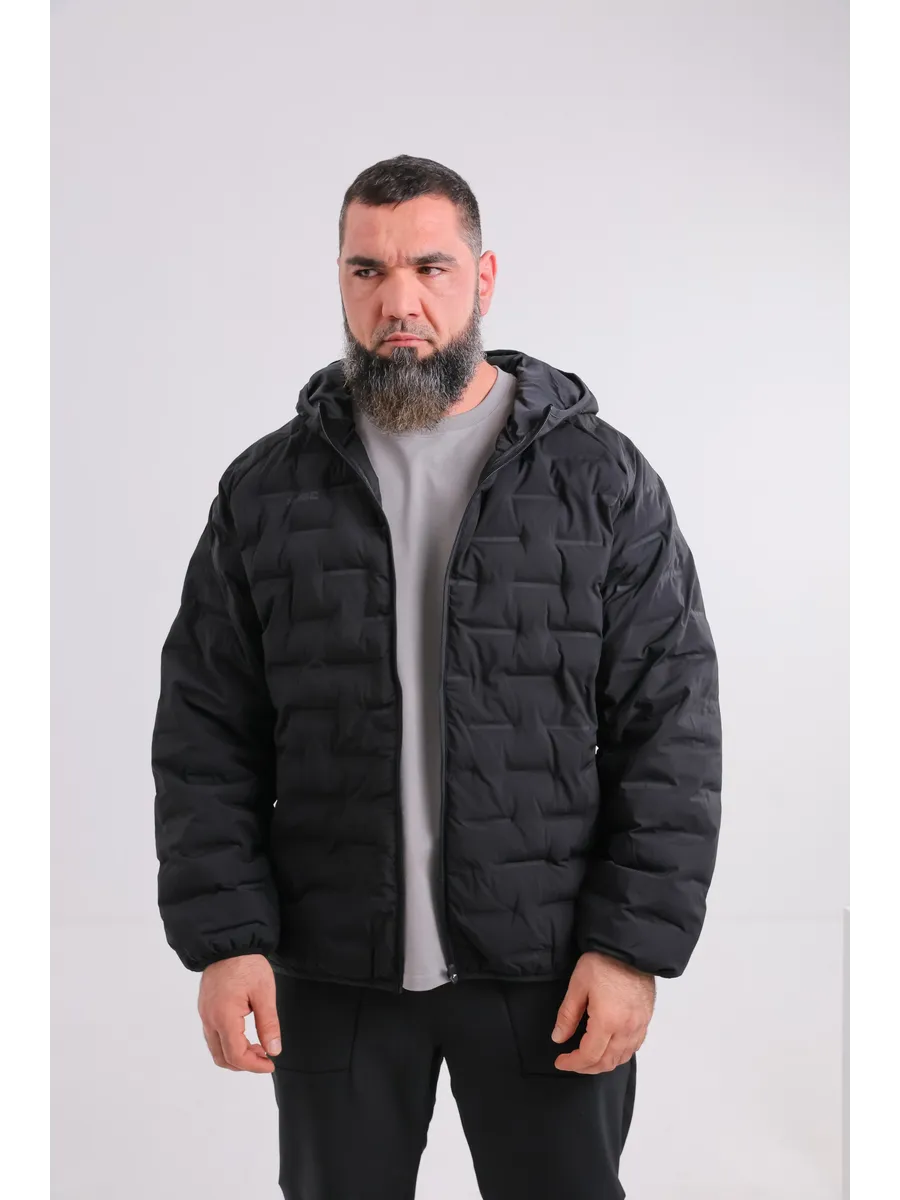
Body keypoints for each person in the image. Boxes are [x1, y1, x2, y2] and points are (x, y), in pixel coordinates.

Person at [151, 154, 722, 1200]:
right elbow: (206, 728)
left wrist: (630, 947)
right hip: (333, 969)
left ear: (483, 277)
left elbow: (670, 727)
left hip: (549, 965)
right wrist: (227, 942)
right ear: (340, 280)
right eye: (367, 271)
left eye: (430, 267)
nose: (399, 301)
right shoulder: (268, 489)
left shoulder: (599, 479)